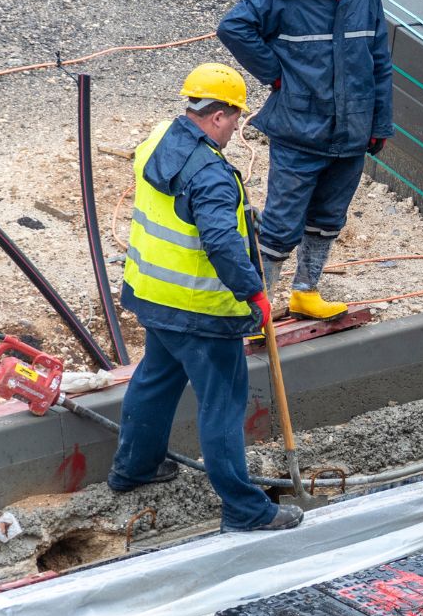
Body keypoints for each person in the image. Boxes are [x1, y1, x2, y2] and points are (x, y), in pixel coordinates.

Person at [109, 64, 300, 533]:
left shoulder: (157, 139)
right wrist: (254, 294)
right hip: (201, 311)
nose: (238, 125)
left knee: (156, 379)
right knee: (223, 404)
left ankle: (133, 469)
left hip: (154, 297)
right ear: (216, 115)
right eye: (235, 116)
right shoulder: (211, 175)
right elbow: (220, 242)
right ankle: (243, 508)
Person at [219, 0, 392, 321]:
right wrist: (276, 75)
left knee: (329, 217)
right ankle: (256, 311)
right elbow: (234, 26)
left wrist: (380, 122)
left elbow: (379, 61)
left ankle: (305, 291)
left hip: (351, 131)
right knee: (280, 226)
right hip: (301, 130)